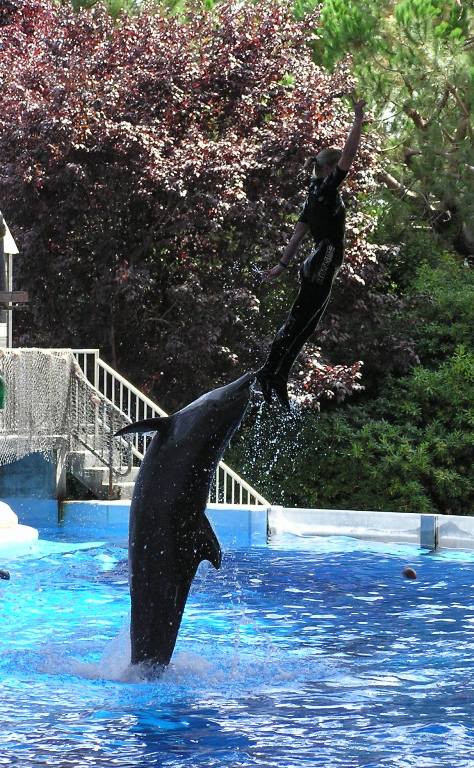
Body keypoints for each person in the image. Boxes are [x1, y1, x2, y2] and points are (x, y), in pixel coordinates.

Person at [256, 99, 366, 408]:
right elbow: (349, 155)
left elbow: (298, 232)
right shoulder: (326, 188)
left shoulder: (312, 191)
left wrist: (281, 265)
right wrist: (357, 120)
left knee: (305, 324)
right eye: (337, 168)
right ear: (330, 169)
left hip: (315, 263)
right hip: (323, 261)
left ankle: (277, 376)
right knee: (298, 321)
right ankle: (268, 373)